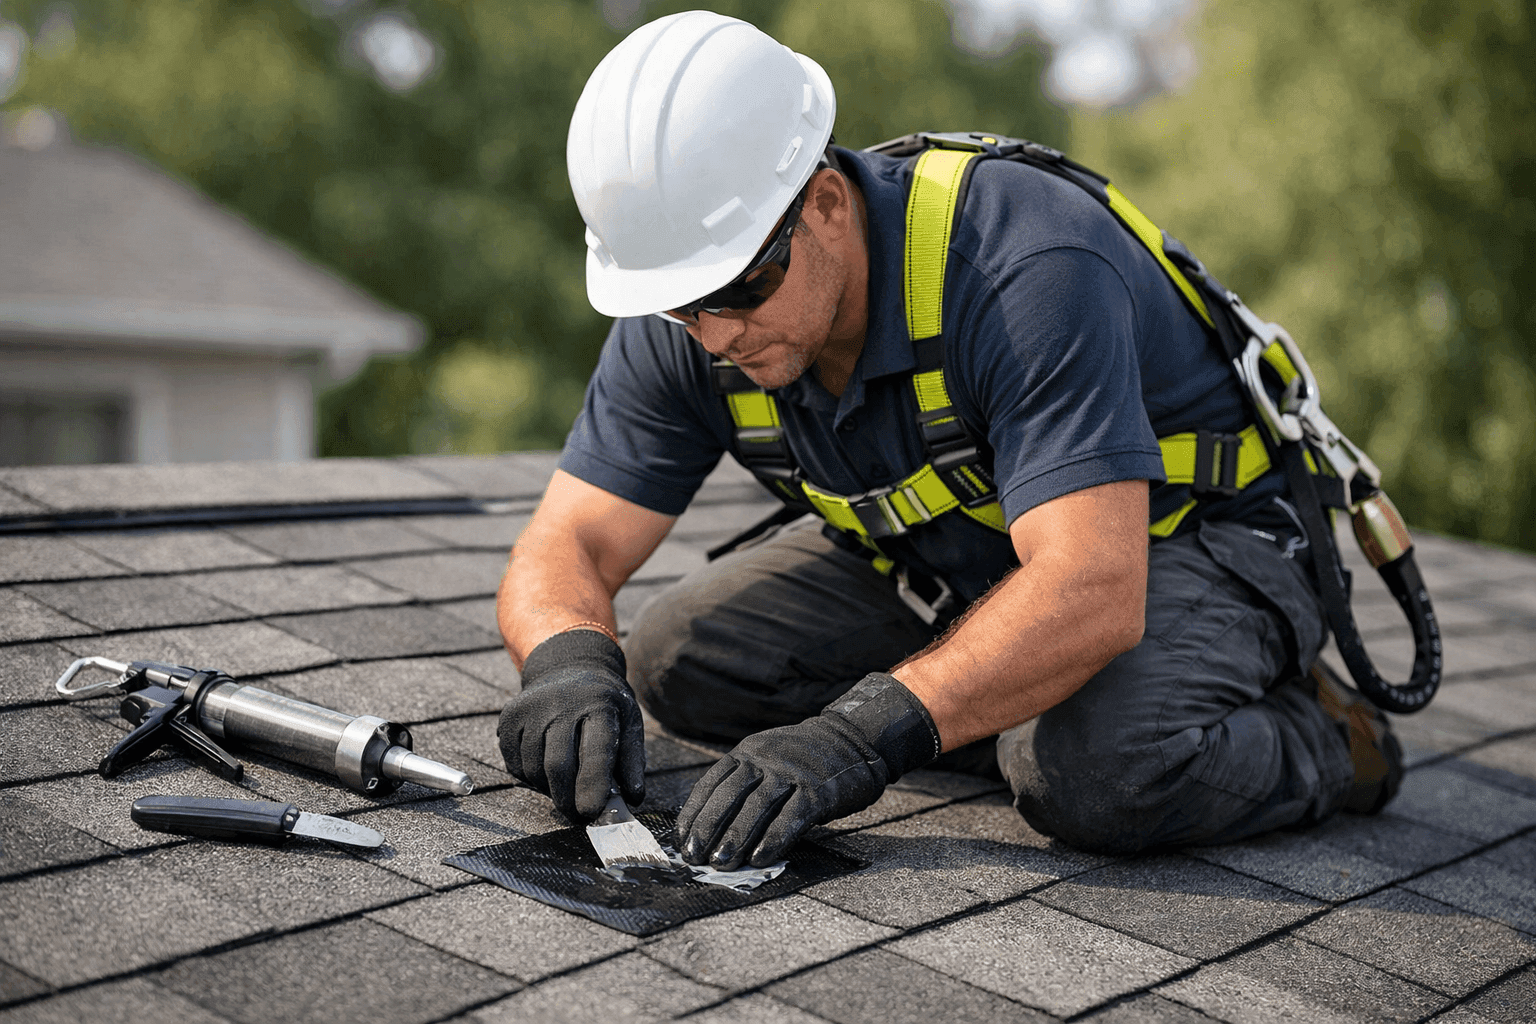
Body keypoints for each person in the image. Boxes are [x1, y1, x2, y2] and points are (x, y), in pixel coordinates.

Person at [495, 10, 1403, 870]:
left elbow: (1093, 584)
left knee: (1094, 771)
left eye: (742, 287)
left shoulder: (1025, 266)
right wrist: (565, 661)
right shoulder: (692, 316)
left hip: (1198, 546)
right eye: (680, 305)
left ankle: (1319, 738)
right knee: (678, 662)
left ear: (826, 204)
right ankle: (1013, 703)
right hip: (977, 558)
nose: (716, 334)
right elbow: (569, 539)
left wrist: (857, 736)